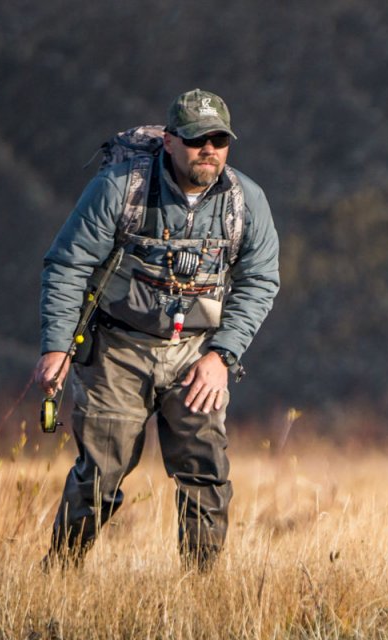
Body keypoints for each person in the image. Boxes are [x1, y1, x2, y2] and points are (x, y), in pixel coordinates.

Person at [34, 88, 280, 570]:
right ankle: (60, 574)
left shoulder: (246, 201)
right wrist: (57, 347)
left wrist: (221, 357)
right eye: (195, 139)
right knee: (101, 474)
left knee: (206, 472)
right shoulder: (117, 188)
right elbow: (67, 265)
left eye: (219, 139)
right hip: (117, 350)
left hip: (196, 356)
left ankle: (200, 588)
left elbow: (261, 281)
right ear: (169, 141)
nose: (208, 149)